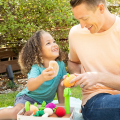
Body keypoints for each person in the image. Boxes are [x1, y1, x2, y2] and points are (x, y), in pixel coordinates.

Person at [66, 0, 120, 120]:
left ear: (101, 8)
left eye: (84, 18)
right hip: (96, 99)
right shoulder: (76, 34)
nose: (82, 25)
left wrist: (98, 77)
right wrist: (77, 76)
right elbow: (73, 62)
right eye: (78, 20)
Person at [0, 30, 66, 119]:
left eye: (54, 41)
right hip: (27, 99)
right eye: (48, 43)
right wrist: (42, 78)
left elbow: (60, 86)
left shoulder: (60, 65)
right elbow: (30, 86)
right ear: (38, 51)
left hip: (43, 103)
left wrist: (62, 105)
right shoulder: (37, 67)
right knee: (16, 113)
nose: (54, 44)